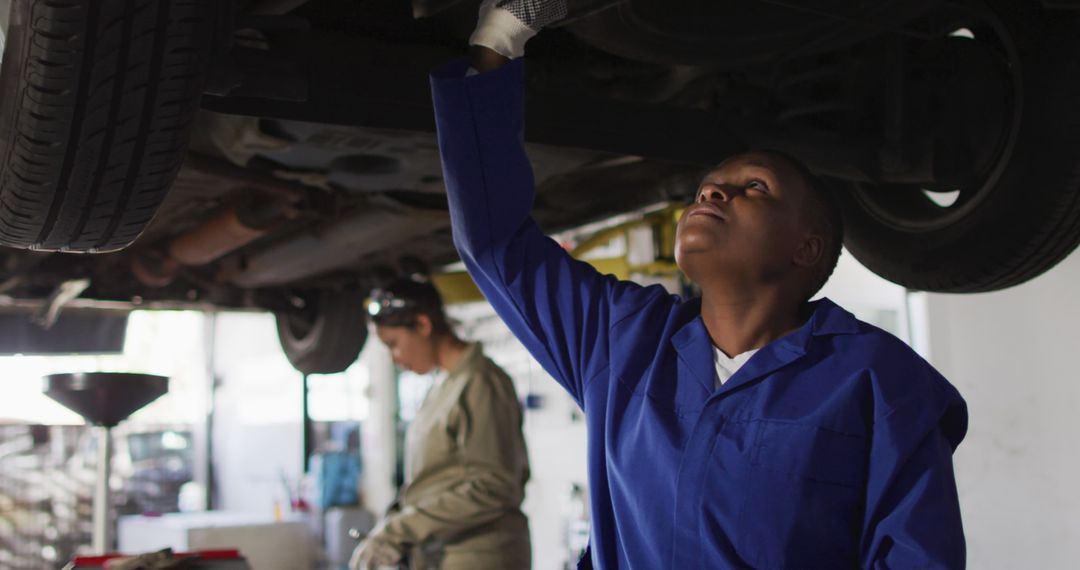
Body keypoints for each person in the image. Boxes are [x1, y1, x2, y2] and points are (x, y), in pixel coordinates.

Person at [426, 1, 969, 568]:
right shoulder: (621, 340)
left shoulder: (879, 382)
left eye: (753, 187)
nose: (713, 193)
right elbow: (495, 243)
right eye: (708, 187)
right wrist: (500, 37)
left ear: (806, 247)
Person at [349, 276, 532, 570]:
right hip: (442, 554)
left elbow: (494, 485)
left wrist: (399, 531)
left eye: (393, 344)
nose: (395, 358)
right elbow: (436, 482)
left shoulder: (480, 382)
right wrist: (393, 522)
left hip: (480, 556)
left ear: (423, 325)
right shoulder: (444, 385)